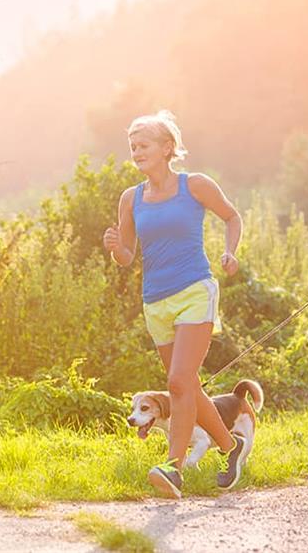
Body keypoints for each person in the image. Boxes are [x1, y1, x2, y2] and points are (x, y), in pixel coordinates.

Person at [103, 110, 246, 498]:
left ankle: (173, 467)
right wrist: (118, 249)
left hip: (195, 290)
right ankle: (231, 447)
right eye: (132, 146)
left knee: (178, 382)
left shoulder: (195, 185)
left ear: (168, 148)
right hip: (156, 301)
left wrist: (230, 252)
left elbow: (232, 217)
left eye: (144, 145)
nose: (136, 152)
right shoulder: (130, 198)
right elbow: (128, 256)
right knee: (187, 386)